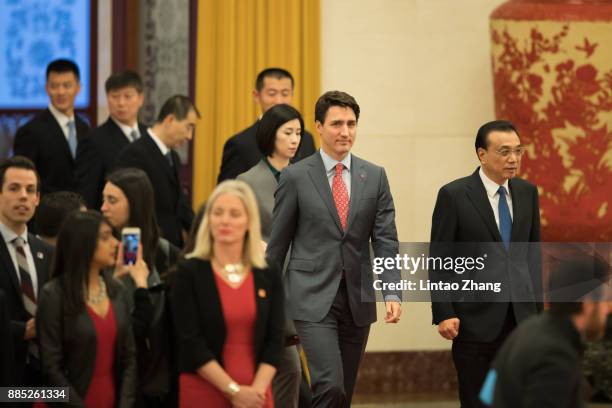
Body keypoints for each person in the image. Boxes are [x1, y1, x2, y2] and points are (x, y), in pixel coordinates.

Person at [266, 90, 402, 407]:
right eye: (337, 123)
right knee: (330, 386)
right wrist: (267, 303)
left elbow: (385, 240)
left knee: (345, 392)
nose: (345, 132)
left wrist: (392, 291)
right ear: (319, 126)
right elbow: (277, 247)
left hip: (357, 298)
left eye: (351, 124)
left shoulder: (376, 176)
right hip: (311, 298)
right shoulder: (295, 176)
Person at [429, 120, 542, 408]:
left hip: (521, 321)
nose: (513, 159)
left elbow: (532, 257)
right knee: (479, 401)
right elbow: (440, 259)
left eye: (518, 151)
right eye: (504, 152)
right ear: (482, 154)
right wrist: (444, 312)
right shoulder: (454, 195)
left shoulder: (528, 193)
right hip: (474, 322)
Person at [172, 180, 284, 408]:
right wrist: (233, 391)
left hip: (257, 394)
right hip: (204, 389)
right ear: (208, 220)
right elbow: (190, 341)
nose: (225, 220)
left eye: (235, 214)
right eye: (218, 213)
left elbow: (275, 339)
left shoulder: (267, 271)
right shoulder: (189, 271)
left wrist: (256, 392)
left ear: (249, 222)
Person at [237, 103, 303, 406]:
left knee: (296, 377)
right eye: (287, 132)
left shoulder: (307, 176)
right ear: (269, 135)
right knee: (278, 368)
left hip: (304, 282)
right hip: (266, 284)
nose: (294, 139)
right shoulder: (247, 182)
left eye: (299, 133)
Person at [481, 255, 611, 407]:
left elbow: (487, 396)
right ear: (588, 303)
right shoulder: (555, 354)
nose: (607, 309)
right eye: (605, 300)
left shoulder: (528, 329)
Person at [36, 210, 137, 407]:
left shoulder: (117, 290)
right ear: (83, 243)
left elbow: (129, 358)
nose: (116, 243)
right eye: (105, 237)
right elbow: (51, 369)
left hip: (111, 399)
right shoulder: (54, 295)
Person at [101, 167, 180, 407]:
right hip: (109, 370)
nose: (103, 207)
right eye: (103, 199)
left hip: (157, 378)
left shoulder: (166, 255)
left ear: (134, 203)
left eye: (111, 200)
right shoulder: (98, 254)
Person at [115, 95, 198, 248]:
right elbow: (129, 209)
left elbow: (180, 204)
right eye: (188, 126)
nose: (189, 136)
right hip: (145, 247)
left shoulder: (173, 157)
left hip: (171, 248)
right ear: (170, 120)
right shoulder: (134, 154)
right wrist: (130, 252)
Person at [0, 156, 53, 387]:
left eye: (30, 190)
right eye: (14, 188)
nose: (23, 195)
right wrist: (22, 331)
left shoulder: (46, 251)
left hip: (45, 379)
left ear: (38, 198)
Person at [217, 68, 316, 183]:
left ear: (292, 95)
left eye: (285, 94)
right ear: (256, 95)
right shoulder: (240, 144)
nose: (279, 101)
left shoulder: (306, 139)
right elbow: (227, 193)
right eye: (272, 94)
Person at [13, 59, 90, 196]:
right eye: (54, 86)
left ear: (78, 88)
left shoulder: (86, 129)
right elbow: (23, 180)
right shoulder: (30, 132)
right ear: (46, 88)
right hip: (47, 214)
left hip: (82, 213)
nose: (60, 92)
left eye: (67, 86)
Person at [76, 71, 148, 209]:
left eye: (128, 96)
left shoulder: (149, 134)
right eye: (114, 96)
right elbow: (87, 193)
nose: (121, 103)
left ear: (140, 98)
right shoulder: (94, 141)